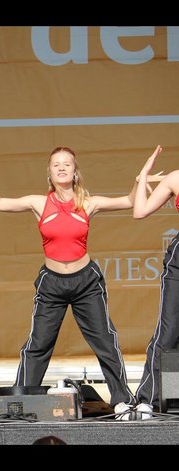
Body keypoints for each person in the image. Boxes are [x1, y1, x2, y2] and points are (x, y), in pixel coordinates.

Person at [0, 146, 160, 419]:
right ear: (49, 172)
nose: (61, 168)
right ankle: (20, 403)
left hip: (86, 283)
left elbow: (129, 201)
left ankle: (122, 402)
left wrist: (141, 179)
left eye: (67, 164)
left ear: (75, 171)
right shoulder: (38, 203)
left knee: (105, 340)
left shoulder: (88, 203)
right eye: (56, 164)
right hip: (52, 284)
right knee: (38, 344)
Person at [132, 145, 176, 419]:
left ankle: (174, 396)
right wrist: (144, 176)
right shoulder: (175, 178)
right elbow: (140, 211)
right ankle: (149, 398)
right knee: (169, 332)